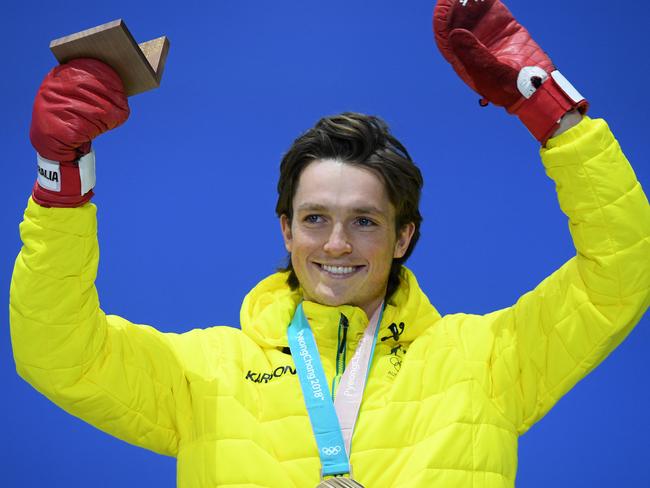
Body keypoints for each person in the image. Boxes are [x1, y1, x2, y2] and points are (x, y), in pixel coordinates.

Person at [9, 1, 649, 487]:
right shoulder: (204, 375)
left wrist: (553, 113)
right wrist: (59, 177)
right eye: (315, 219)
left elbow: (625, 265)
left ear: (405, 236)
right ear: (285, 229)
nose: (337, 244)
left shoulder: (488, 362)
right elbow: (57, 351)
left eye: (366, 221)